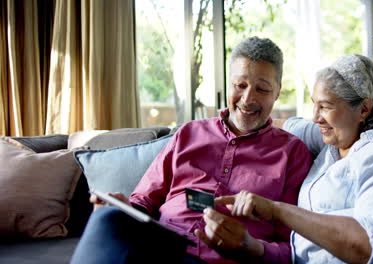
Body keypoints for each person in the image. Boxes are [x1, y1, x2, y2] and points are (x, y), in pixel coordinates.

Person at [70, 37, 312, 264]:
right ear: (229, 84)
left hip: (226, 259)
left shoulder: (292, 154)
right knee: (106, 218)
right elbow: (144, 200)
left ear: (278, 92)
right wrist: (124, 207)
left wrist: (250, 246)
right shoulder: (188, 134)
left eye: (262, 89)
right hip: (161, 248)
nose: (248, 98)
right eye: (240, 85)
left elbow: (292, 246)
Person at [215, 54, 373, 263]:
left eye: (325, 106)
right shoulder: (332, 142)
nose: (315, 117)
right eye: (314, 105)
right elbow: (280, 124)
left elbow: (370, 247)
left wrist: (276, 211)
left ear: (363, 109)